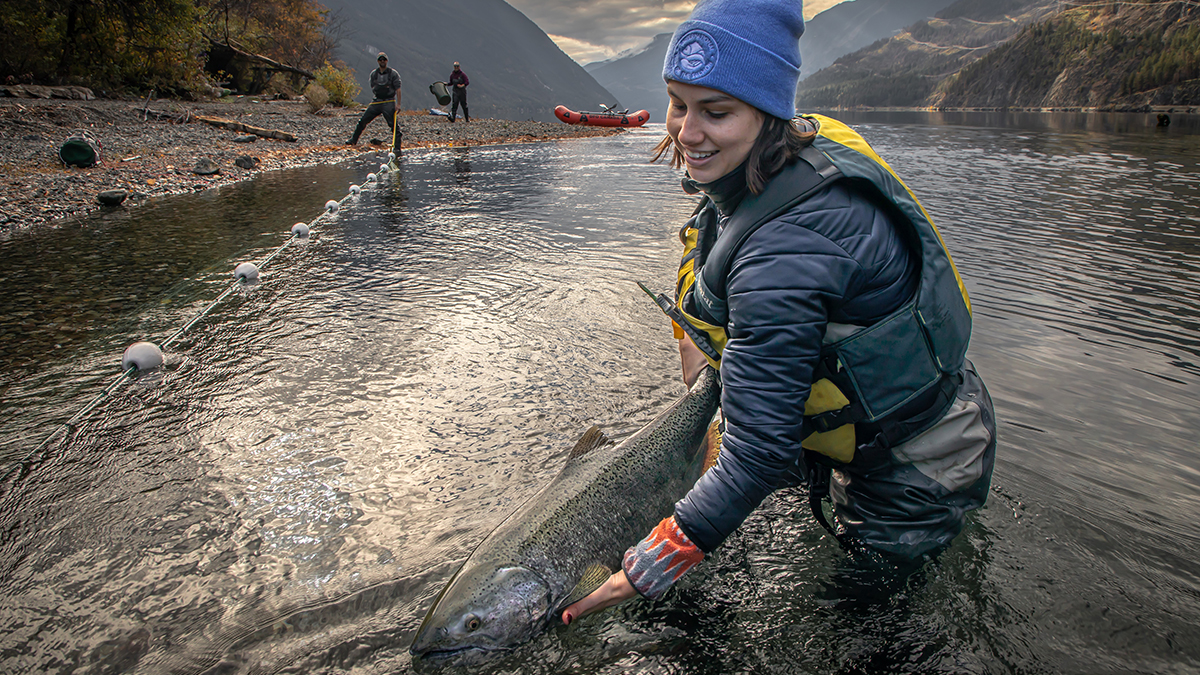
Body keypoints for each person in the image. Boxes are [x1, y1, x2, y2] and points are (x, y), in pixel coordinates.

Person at [562, 0, 997, 624]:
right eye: (678, 104)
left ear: (768, 114)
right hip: (863, 427)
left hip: (918, 466)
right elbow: (714, 251)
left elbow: (760, 451)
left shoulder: (785, 250)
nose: (686, 132)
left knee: (874, 625)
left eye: (716, 112)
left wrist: (647, 567)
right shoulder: (777, 164)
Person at [347, 52, 402, 156]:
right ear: (378, 61)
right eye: (380, 60)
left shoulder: (393, 74)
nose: (382, 61)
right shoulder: (374, 74)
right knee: (363, 120)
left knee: (394, 125)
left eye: (384, 59)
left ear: (387, 61)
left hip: (389, 101)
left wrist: (398, 104)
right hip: (377, 101)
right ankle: (353, 140)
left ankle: (397, 148)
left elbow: (398, 89)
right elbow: (372, 86)